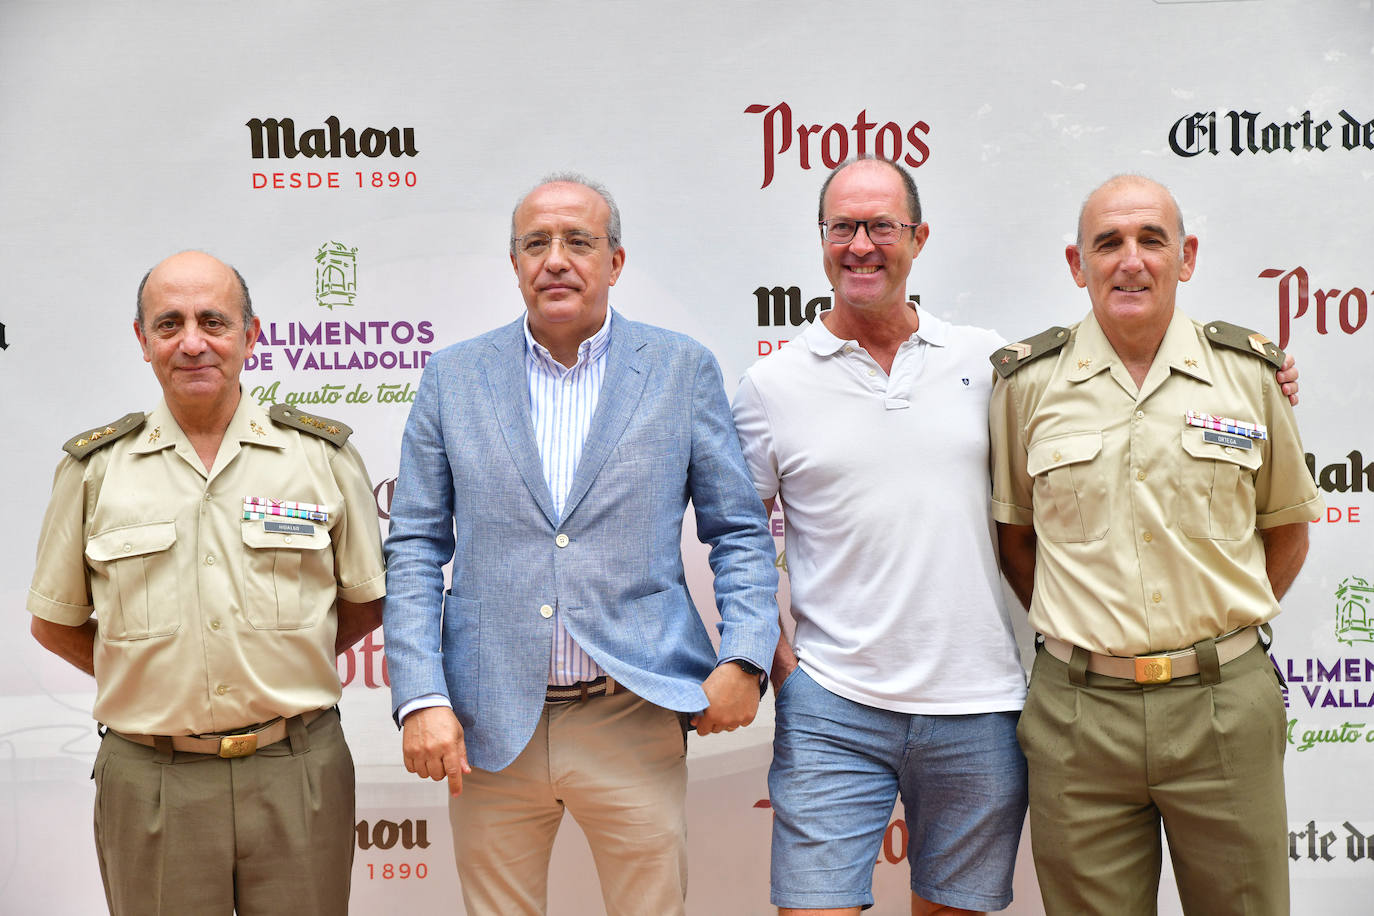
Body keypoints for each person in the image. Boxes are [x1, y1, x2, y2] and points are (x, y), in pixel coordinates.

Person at [732, 158, 1302, 916]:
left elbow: (1283, 530)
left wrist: (1272, 385)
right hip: (905, 704)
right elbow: (742, 534)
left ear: (918, 238)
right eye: (844, 227)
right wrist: (767, 657)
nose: (863, 244)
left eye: (883, 227)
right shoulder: (785, 384)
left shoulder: (996, 366)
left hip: (1039, 706)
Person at [382, 173, 779, 916]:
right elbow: (412, 548)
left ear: (616, 262)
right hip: (488, 721)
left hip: (632, 710)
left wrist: (747, 656)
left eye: (578, 242)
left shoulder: (679, 369)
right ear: (515, 264)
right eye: (536, 243)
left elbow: (739, 532)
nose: (555, 259)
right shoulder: (452, 378)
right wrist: (420, 697)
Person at [990, 175, 1322, 915]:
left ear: (1186, 255)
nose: (1130, 260)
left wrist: (1218, 630)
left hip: (1223, 706)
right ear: (1078, 265)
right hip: (1078, 717)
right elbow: (1016, 542)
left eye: (1151, 240)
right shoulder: (1026, 383)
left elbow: (1289, 530)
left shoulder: (1247, 373)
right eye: (1107, 243)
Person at [27, 250, 386, 915]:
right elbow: (54, 622)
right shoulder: (96, 470)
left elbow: (366, 604)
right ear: (143, 341)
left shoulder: (320, 458)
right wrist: (152, 675)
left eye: (213, 321)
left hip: (299, 769)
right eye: (169, 323)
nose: (192, 342)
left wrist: (277, 665)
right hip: (152, 778)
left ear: (251, 336)